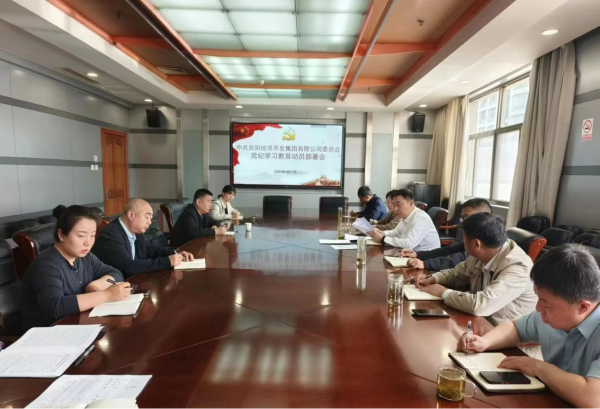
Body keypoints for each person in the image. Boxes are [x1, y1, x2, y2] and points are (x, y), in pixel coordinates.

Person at [457, 245, 600, 408]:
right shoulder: (551, 315)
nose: (538, 309)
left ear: (583, 307)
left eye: (545, 304)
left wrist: (538, 367)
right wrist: (484, 342)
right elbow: (515, 328)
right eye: (538, 298)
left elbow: (592, 399)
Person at [21, 205, 132, 332]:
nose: (88, 242)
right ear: (61, 235)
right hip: (46, 333)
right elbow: (54, 307)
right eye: (81, 236)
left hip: (77, 324)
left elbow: (115, 273)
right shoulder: (46, 265)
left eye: (92, 235)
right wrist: (106, 294)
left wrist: (95, 285)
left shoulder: (85, 257)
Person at [418, 213, 537, 325]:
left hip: (503, 333)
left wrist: (443, 292)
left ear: (476, 244)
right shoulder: (485, 253)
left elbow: (481, 306)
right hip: (479, 322)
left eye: (464, 238)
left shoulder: (517, 267)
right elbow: (456, 274)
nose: (463, 242)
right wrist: (433, 278)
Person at [92, 199, 194, 277]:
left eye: (150, 218)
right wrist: (167, 262)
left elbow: (150, 250)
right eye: (147, 217)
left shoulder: (136, 231)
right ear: (131, 215)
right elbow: (128, 267)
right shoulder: (111, 235)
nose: (149, 222)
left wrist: (175, 253)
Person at [401, 198, 492, 271]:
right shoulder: (473, 234)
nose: (463, 222)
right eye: (462, 217)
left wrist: (425, 264)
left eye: (467, 217)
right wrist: (418, 255)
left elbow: (461, 259)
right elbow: (449, 250)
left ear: (484, 216)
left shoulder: (490, 239)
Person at [368, 189, 440, 251]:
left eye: (398, 204)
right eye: (394, 205)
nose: (395, 209)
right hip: (410, 254)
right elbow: (396, 233)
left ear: (411, 203)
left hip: (426, 259)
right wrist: (382, 233)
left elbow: (408, 244)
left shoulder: (421, 218)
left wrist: (383, 239)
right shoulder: (405, 216)